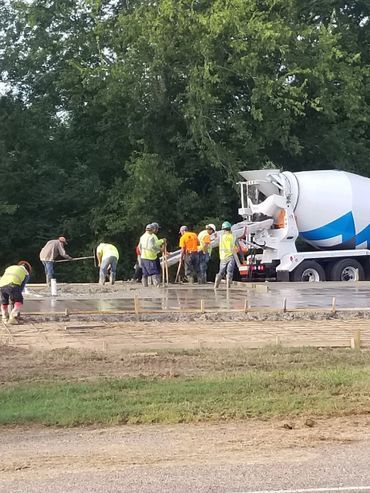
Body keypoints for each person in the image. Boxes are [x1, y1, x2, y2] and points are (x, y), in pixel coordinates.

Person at [214, 221, 236, 289]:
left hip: (223, 257)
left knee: (221, 272)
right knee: (229, 272)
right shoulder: (233, 236)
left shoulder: (221, 237)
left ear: (223, 229)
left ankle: (216, 286)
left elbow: (216, 241)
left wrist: (215, 236)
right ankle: (228, 286)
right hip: (230, 256)